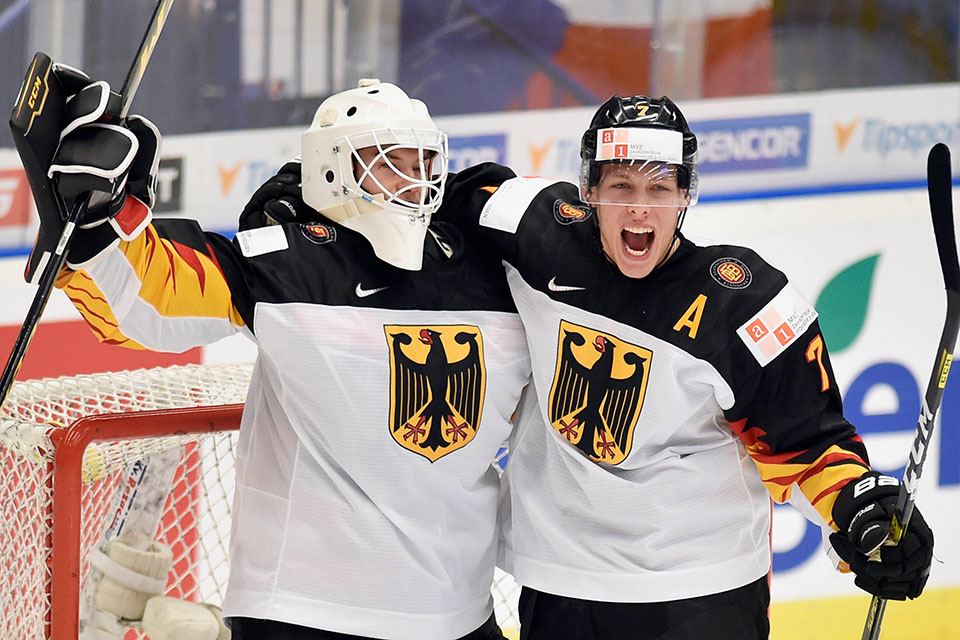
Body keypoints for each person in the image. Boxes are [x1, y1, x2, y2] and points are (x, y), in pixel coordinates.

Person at [24, 68, 531, 640]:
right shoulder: (292, 263)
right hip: (305, 613)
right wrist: (98, 221)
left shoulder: (487, 273)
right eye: (392, 161)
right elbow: (153, 304)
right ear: (336, 166)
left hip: (458, 614)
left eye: (422, 163)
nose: (414, 183)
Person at [427, 95, 936, 639]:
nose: (639, 209)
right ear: (589, 191)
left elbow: (808, 442)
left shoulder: (744, 303)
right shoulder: (534, 231)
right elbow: (426, 198)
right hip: (561, 582)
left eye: (658, 189)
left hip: (703, 591)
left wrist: (860, 511)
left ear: (685, 194)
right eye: (621, 186)